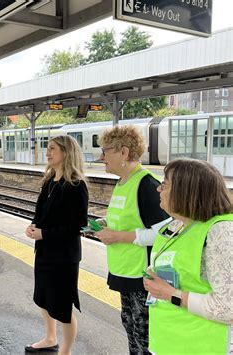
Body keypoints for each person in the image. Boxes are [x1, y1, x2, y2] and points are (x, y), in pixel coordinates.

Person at [143, 159, 232, 354]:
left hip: (201, 345)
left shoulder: (221, 232)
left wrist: (171, 294)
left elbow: (228, 307)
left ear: (186, 191)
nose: (159, 189)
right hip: (170, 340)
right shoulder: (177, 225)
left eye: (165, 184)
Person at [94, 125, 169, 355]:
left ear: (123, 153)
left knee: (143, 334)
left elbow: (165, 231)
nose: (101, 157)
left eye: (105, 151)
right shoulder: (122, 181)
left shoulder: (146, 185)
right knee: (130, 325)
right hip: (124, 270)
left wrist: (119, 236)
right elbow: (129, 216)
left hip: (141, 276)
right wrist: (107, 222)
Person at [24, 136, 88, 355]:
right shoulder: (49, 181)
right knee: (43, 298)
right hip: (44, 252)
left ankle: (65, 351)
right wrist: (34, 226)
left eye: (52, 149)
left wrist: (44, 233)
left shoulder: (76, 185)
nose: (47, 152)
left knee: (62, 305)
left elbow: (78, 227)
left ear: (66, 152)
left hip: (63, 257)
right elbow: (41, 214)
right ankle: (50, 338)